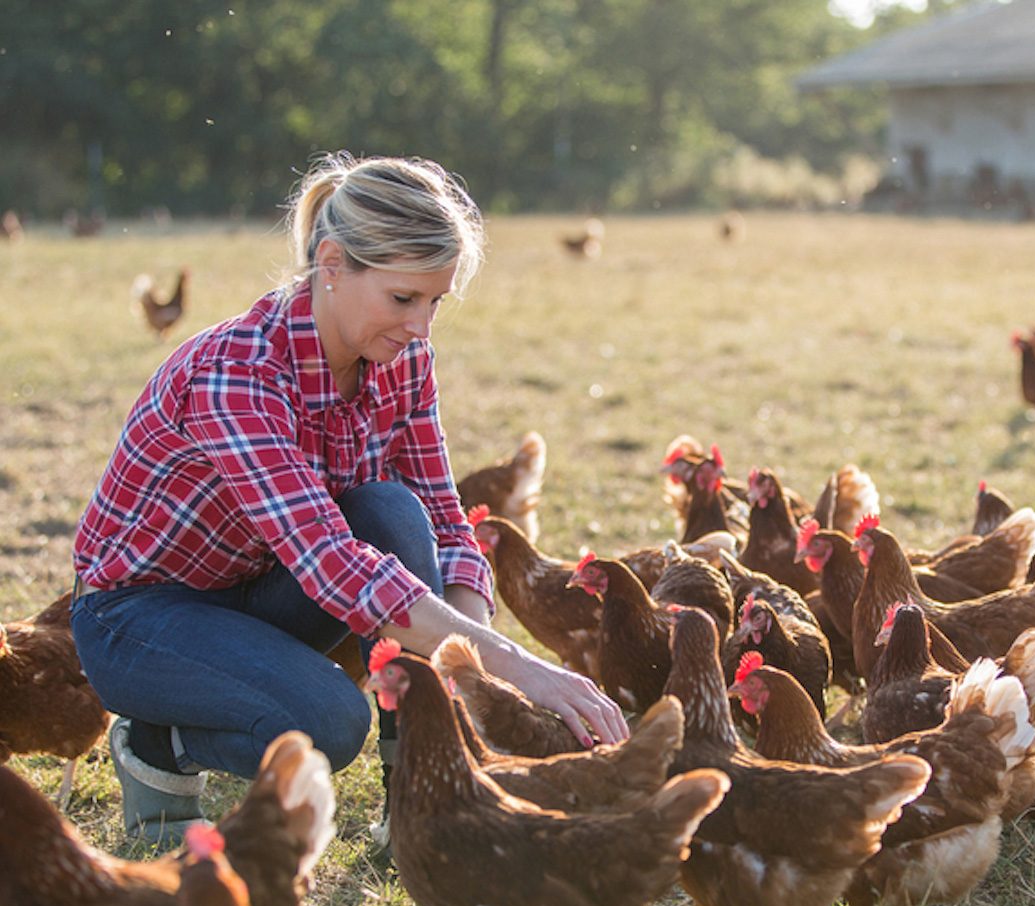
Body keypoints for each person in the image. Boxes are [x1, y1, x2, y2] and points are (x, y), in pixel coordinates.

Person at [71, 152, 627, 843]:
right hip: (141, 616)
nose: (422, 327)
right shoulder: (236, 374)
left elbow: (445, 527)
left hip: (262, 587)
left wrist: (474, 673)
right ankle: (158, 747)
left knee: (393, 510)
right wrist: (520, 668)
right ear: (331, 264)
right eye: (403, 299)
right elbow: (332, 561)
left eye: (435, 302)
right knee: (327, 722)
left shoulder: (403, 360)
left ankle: (421, 801)